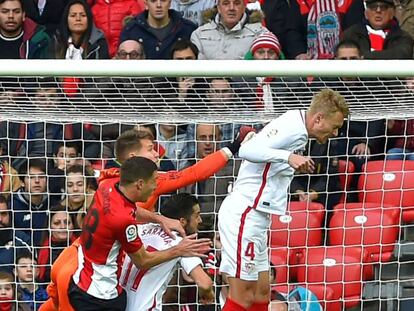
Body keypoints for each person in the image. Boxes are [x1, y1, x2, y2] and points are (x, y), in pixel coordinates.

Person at [218, 89, 349, 310]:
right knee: (243, 296)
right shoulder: (292, 127)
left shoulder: (298, 129)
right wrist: (289, 157)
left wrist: (290, 164)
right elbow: (248, 149)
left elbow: (266, 160)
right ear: (318, 118)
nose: (335, 133)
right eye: (334, 127)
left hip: (258, 217)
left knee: (262, 293)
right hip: (244, 213)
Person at [68, 156, 211, 311]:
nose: (156, 186)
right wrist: (179, 250)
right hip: (101, 296)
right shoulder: (124, 222)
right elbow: (142, 261)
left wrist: (159, 218)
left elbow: (130, 210)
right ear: (140, 184)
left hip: (80, 279)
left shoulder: (108, 186)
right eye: (154, 180)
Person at [120, 193, 215, 310]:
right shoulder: (183, 245)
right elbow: (204, 284)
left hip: (118, 303)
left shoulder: (140, 229)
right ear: (183, 221)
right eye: (197, 215)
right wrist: (208, 295)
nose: (200, 220)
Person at [120, 0, 197, 59]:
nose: (159, 5)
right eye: (153, 1)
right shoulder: (131, 30)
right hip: (142, 79)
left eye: (163, 0)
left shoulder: (187, 28)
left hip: (177, 79)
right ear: (146, 4)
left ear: (170, 3)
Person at [191, 0, 266, 60]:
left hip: (244, 79)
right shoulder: (199, 34)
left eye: (237, 3)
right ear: (218, 8)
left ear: (244, 7)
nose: (231, 8)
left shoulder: (260, 34)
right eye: (226, 3)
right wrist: (214, 79)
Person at [342, 0, 413, 59]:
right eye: (373, 7)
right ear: (366, 13)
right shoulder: (350, 34)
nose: (378, 11)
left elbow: (402, 55)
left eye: (383, 7)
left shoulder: (403, 37)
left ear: (392, 13)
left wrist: (363, 57)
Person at [12, 158, 49, 246]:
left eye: (41, 177)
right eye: (31, 177)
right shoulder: (11, 207)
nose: (37, 181)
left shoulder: (54, 204)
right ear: (22, 182)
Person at [37, 206, 77, 283]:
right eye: (57, 223)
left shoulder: (83, 248)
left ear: (73, 225)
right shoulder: (41, 250)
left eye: (67, 222)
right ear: (49, 227)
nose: (63, 227)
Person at [0, 195, 32, 274]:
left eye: (3, 214)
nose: (0, 219)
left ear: (9, 215)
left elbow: (32, 274)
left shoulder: (22, 241)